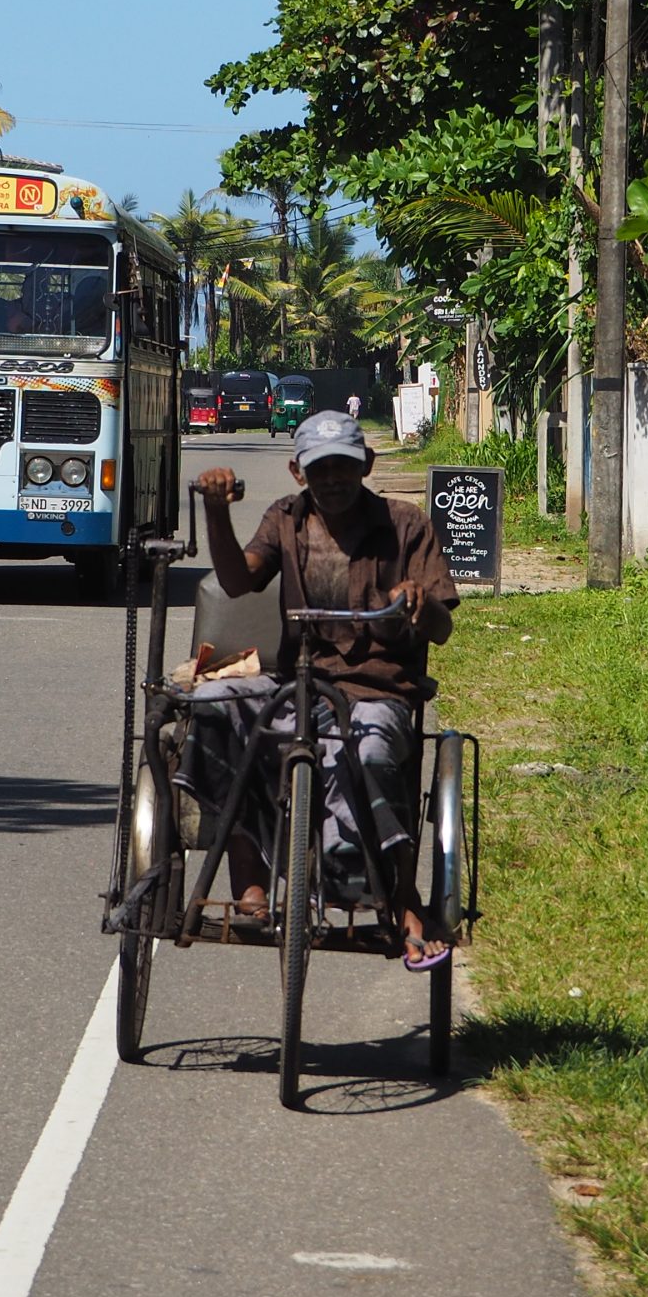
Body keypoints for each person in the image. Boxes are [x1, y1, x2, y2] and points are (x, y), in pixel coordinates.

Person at [194, 409, 459, 968]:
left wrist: (419, 603)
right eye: (321, 470)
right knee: (216, 707)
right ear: (298, 472)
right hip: (298, 683)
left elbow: (443, 626)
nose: (333, 480)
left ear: (365, 464)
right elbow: (240, 581)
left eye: (344, 467)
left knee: (369, 751)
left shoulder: (405, 524)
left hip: (374, 690)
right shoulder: (285, 519)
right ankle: (251, 885)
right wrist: (216, 514)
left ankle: (399, 897)